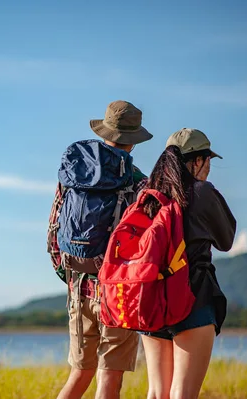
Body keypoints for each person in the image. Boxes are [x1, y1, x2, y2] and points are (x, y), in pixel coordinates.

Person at [47, 100, 153, 399]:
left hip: (78, 286)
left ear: (104, 131)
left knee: (79, 373)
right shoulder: (139, 184)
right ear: (133, 141)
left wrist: (72, 278)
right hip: (117, 292)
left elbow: (53, 234)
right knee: (109, 381)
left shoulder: (71, 176)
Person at [139, 128, 237, 399]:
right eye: (207, 161)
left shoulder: (147, 193)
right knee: (183, 393)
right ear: (198, 161)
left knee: (157, 392)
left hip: (152, 296)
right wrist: (204, 186)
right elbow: (226, 239)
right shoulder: (201, 192)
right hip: (193, 295)